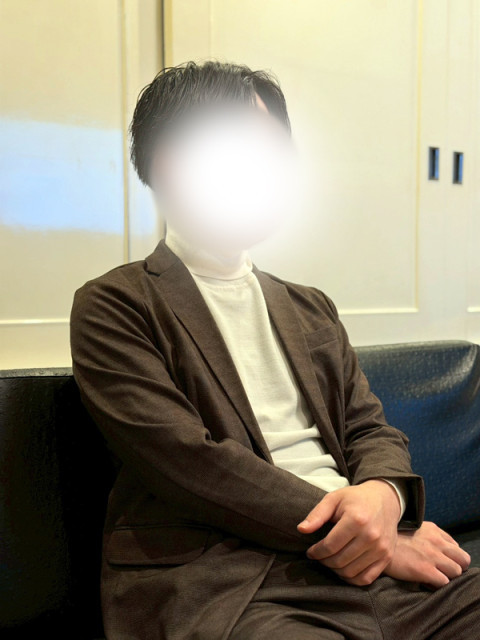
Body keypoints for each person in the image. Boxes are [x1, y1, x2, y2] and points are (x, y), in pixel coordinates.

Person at [70, 61, 479, 640]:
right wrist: (377, 538)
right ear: (165, 164)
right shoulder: (115, 305)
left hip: (375, 568)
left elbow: (369, 428)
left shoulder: (310, 306)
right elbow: (191, 464)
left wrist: (386, 498)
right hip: (232, 579)